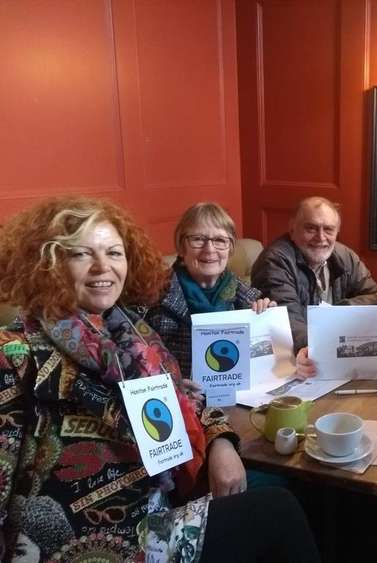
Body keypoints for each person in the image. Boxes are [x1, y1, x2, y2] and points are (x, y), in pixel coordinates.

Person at [0, 197, 319, 562]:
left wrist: (220, 443)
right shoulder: (15, 354)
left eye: (114, 253)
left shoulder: (132, 335)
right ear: (48, 264)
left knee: (283, 503)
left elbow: (180, 393)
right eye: (81, 254)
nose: (103, 266)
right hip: (83, 541)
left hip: (152, 512)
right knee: (277, 509)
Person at [146, 202, 274, 381]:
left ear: (230, 249)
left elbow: (265, 356)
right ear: (182, 248)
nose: (209, 249)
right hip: (181, 399)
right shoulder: (155, 297)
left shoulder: (245, 297)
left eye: (220, 240)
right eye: (198, 239)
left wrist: (267, 316)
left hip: (238, 396)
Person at [251, 196, 377, 370]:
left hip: (332, 353)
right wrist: (324, 349)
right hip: (293, 362)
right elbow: (289, 322)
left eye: (328, 229)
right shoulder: (274, 261)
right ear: (292, 229)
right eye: (311, 228)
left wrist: (334, 314)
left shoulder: (345, 256)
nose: (321, 237)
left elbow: (373, 296)